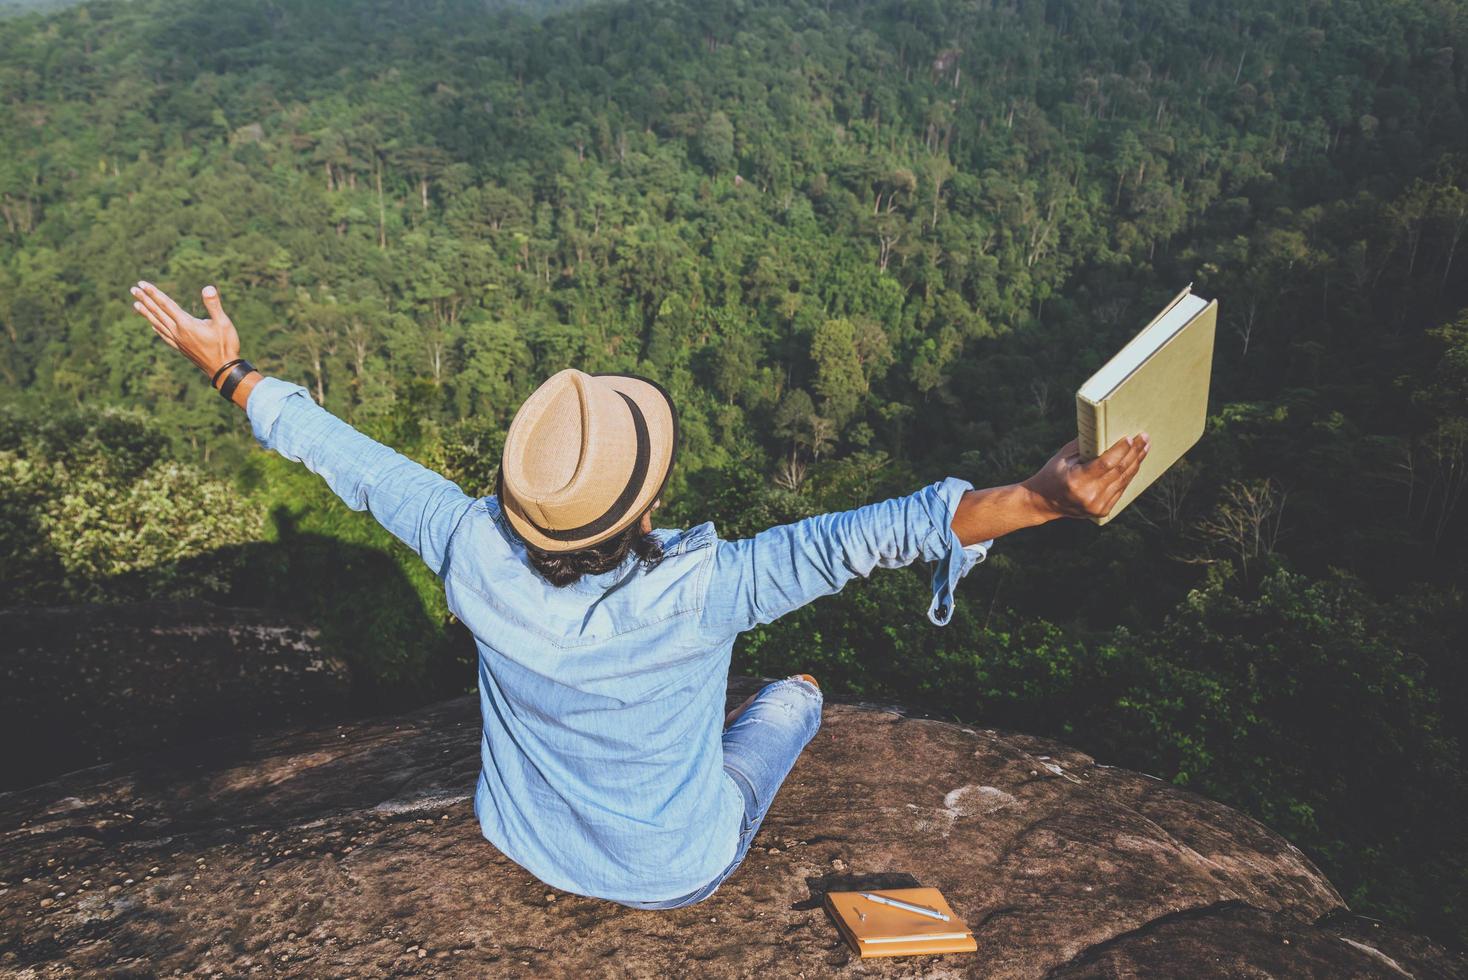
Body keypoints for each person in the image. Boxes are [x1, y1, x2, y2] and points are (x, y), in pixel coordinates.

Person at [128, 279, 1149, 909]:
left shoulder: (468, 548)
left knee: (748, 695)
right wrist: (1045, 499)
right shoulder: (705, 590)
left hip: (522, 838)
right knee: (792, 694)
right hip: (674, 868)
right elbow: (875, 536)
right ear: (648, 496)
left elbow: (350, 461)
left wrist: (231, 372)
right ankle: (784, 704)